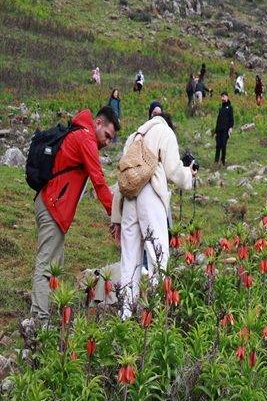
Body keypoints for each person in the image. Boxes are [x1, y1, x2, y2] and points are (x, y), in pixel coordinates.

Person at [28, 107, 120, 325]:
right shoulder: (85, 138)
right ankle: (39, 320)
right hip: (53, 206)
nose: (107, 142)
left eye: (110, 139)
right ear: (98, 123)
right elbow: (98, 180)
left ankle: (47, 315)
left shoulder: (81, 134)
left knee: (54, 263)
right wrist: (114, 216)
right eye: (107, 135)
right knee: (46, 264)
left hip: (53, 206)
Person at [110, 112, 196, 319]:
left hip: (130, 197)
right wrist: (189, 175)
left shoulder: (133, 137)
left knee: (129, 257)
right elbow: (173, 170)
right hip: (150, 193)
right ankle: (156, 311)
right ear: (169, 122)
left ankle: (126, 313)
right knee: (158, 253)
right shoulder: (164, 132)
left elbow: (122, 177)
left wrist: (116, 217)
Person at [213, 91, 234, 166]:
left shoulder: (230, 108)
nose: (223, 98)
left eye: (224, 96)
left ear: (227, 97)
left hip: (226, 130)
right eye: (222, 97)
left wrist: (230, 128)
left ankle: (223, 161)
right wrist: (215, 131)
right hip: (219, 130)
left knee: (223, 144)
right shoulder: (221, 108)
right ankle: (216, 161)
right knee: (218, 145)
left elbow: (231, 119)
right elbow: (218, 120)